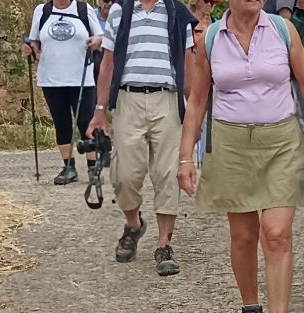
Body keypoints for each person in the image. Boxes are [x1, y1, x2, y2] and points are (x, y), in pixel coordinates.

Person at [178, 0, 304, 313]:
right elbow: (198, 101)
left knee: (276, 232)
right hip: (231, 145)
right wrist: (186, 156)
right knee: (244, 235)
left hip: (281, 142)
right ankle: (251, 309)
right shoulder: (212, 37)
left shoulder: (282, 30)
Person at [90, 0, 199, 276]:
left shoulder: (177, 12)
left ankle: (164, 245)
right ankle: (134, 225)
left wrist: (195, 114)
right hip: (128, 100)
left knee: (168, 173)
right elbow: (109, 64)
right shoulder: (120, 11)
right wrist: (100, 111)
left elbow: (188, 65)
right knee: (124, 174)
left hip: (167, 99)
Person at [26, 0, 109, 185]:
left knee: (87, 124)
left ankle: (93, 167)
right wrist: (30, 48)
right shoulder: (42, 10)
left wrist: (97, 40)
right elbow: (35, 41)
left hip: (82, 77)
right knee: (61, 123)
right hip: (51, 78)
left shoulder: (83, 9)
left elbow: (101, 36)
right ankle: (68, 167)